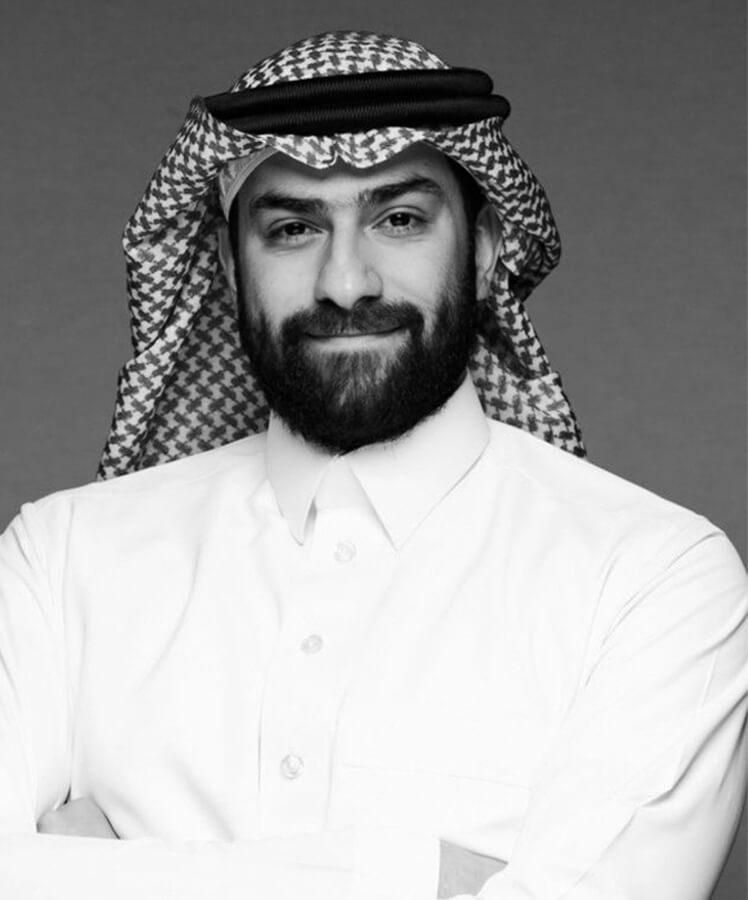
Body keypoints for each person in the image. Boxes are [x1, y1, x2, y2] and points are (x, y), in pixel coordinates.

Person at [0, 29, 745, 900]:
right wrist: (407, 873)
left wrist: (96, 873)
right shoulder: (62, 559)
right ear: (230, 267)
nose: (346, 283)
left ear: (483, 248)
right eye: (292, 229)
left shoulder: (653, 578)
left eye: (399, 220)